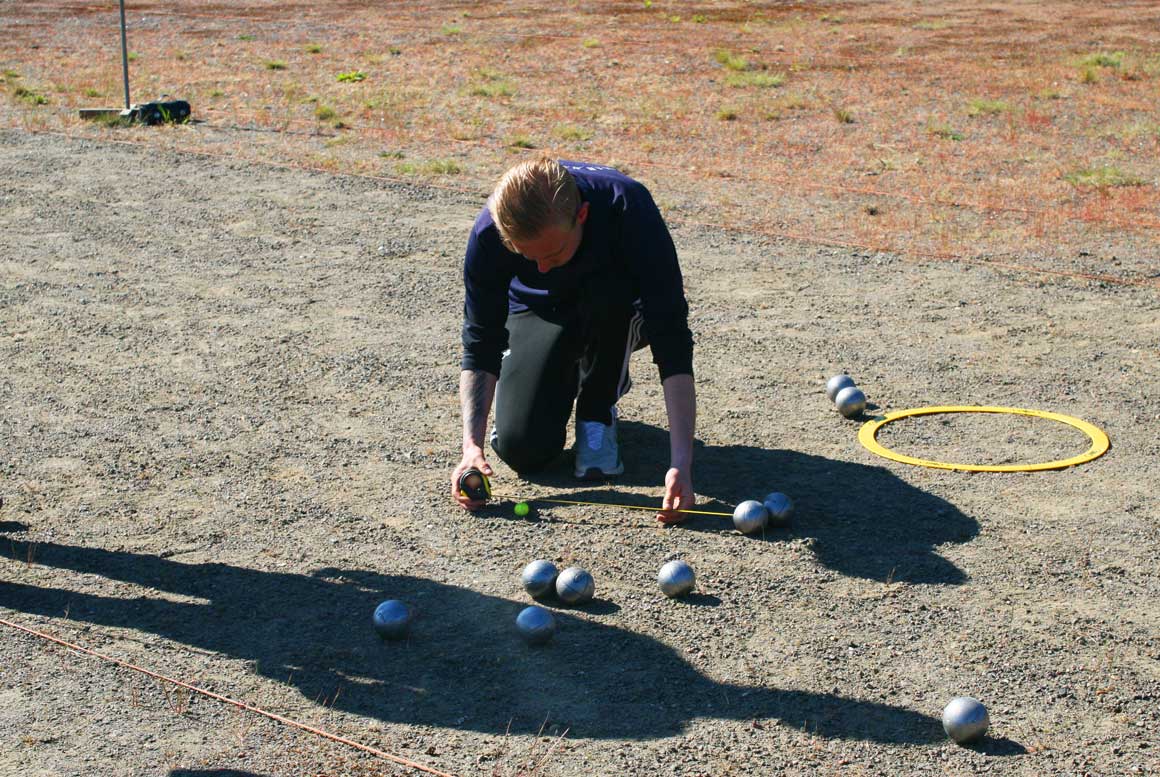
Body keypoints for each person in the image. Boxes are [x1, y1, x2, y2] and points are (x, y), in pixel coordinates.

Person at [451, 158, 696, 522]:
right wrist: (470, 448)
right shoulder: (490, 230)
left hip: (617, 306)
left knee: (608, 299)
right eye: (527, 257)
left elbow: (672, 337)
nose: (543, 269)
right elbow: (480, 339)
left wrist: (681, 463)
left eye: (553, 254)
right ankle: (565, 367)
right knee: (523, 449)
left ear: (581, 215)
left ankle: (598, 409)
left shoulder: (629, 207)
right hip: (540, 308)